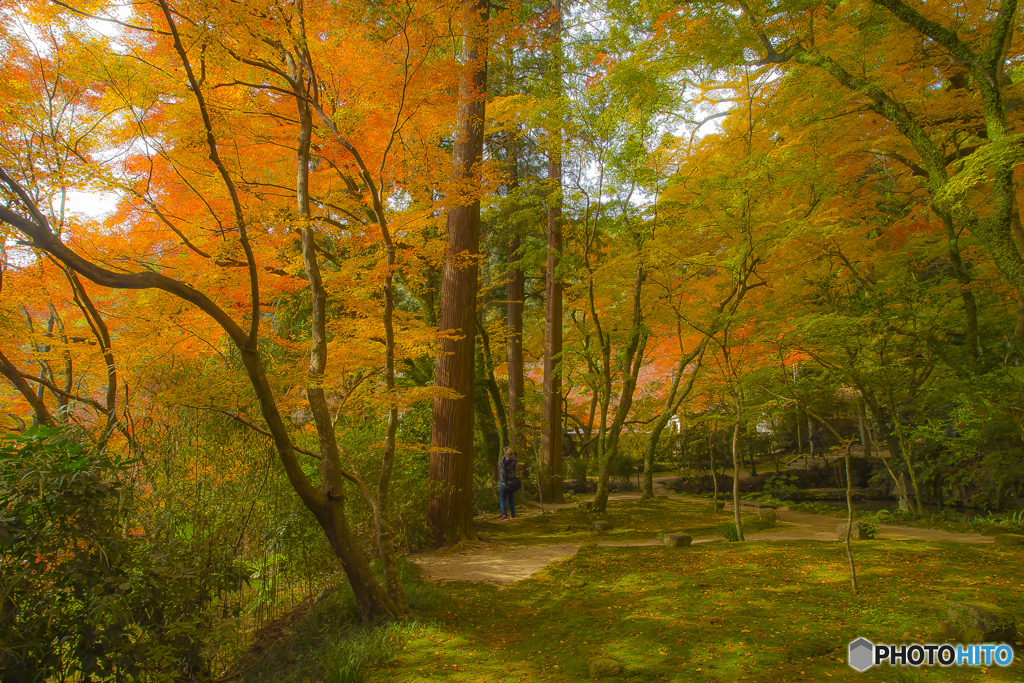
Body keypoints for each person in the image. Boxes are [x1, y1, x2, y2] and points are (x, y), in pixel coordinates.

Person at [498, 446, 518, 520]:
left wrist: (505, 452)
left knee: (503, 500)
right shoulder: (514, 462)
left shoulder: (503, 462)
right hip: (511, 484)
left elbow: (500, 462)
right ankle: (513, 514)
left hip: (503, 483)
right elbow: (516, 456)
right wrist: (512, 450)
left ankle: (504, 515)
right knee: (511, 499)